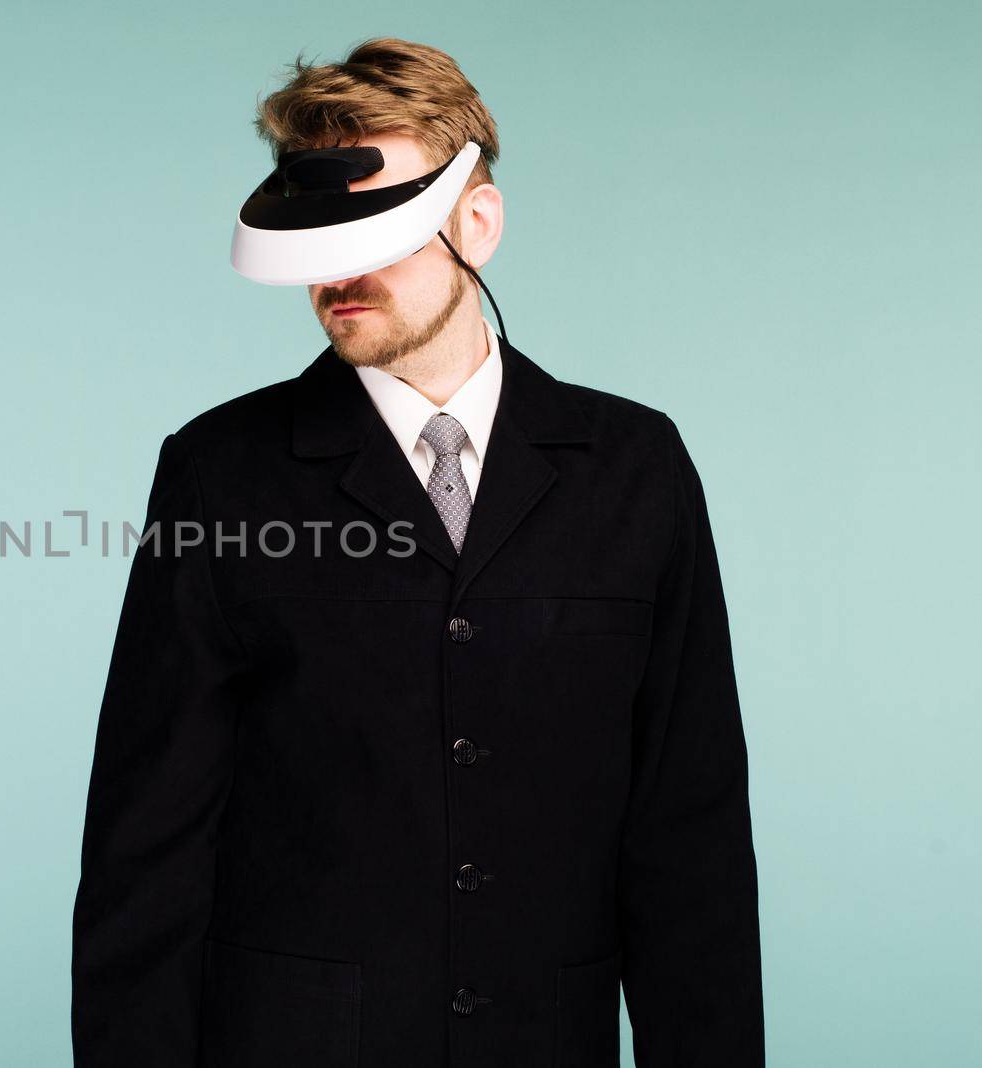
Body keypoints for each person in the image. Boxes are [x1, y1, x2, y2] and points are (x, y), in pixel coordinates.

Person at [71, 36, 763, 1067]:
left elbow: (688, 829)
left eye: (376, 229)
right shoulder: (220, 472)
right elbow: (147, 846)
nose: (337, 270)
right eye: (315, 234)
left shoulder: (634, 467)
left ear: (474, 223)